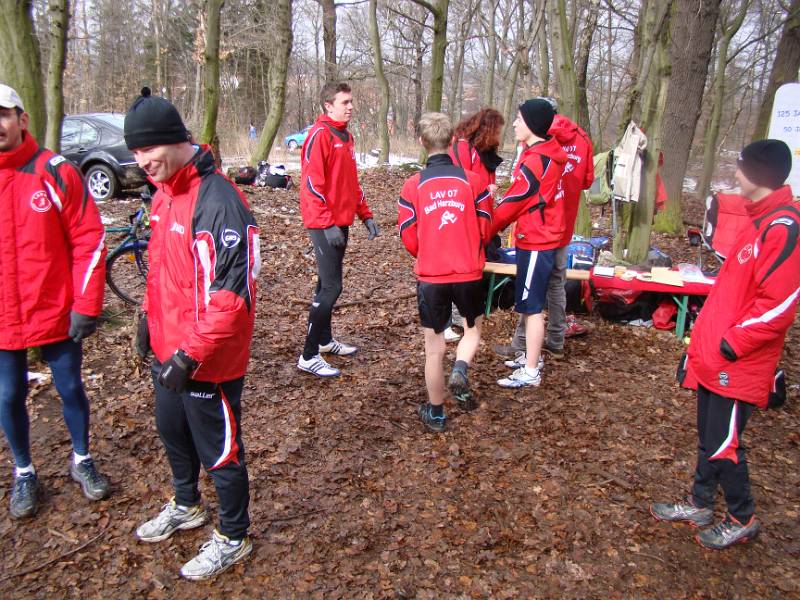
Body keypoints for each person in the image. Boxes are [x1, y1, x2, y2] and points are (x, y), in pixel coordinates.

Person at [124, 87, 260, 580]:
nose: (142, 161)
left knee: (219, 450)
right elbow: (163, 273)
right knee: (172, 431)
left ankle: (234, 536)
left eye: (149, 148)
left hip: (209, 359)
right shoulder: (164, 195)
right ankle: (186, 505)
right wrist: (147, 319)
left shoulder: (219, 201)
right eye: (135, 152)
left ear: (178, 139)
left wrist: (188, 354)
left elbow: (232, 295)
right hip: (171, 349)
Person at [651, 139, 800, 550]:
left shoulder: (784, 227)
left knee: (724, 443)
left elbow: (780, 304)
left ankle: (742, 516)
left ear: (759, 174)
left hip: (739, 361)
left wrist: (732, 344)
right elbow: (732, 293)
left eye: (741, 167)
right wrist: (702, 345)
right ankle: (700, 503)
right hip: (718, 355)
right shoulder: (759, 220)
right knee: (709, 437)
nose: (735, 174)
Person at [0, 83, 110, 519]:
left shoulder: (55, 171)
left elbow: (89, 237)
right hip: (4, 313)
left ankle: (82, 459)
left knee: (69, 387)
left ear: (21, 119)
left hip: (54, 308)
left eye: (3, 115)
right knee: (8, 395)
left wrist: (86, 304)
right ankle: (24, 471)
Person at [398, 113, 493, 431]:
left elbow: (408, 235)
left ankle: (436, 413)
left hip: (431, 276)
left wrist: (426, 252)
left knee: (434, 348)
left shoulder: (412, 186)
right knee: (471, 331)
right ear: (453, 140)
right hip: (468, 272)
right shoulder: (474, 181)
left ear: (422, 142)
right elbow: (486, 226)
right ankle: (461, 369)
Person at [496, 100, 595, 366]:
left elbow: (521, 191)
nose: (516, 123)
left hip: (540, 226)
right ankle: (555, 340)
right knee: (554, 283)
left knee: (532, 291)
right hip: (562, 222)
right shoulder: (581, 139)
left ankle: (524, 349)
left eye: (520, 118)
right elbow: (587, 180)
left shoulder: (540, 146)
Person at [297, 81, 379, 377]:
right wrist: (327, 223)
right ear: (328, 106)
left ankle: (324, 341)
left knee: (325, 283)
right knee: (332, 287)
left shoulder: (346, 136)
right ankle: (308, 355)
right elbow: (311, 185)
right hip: (324, 224)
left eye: (351, 101)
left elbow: (350, 182)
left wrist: (365, 215)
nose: (351, 107)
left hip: (341, 221)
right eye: (345, 102)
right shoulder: (319, 135)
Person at [490, 98, 567, 389]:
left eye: (519, 119)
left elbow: (514, 201)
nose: (513, 124)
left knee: (532, 306)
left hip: (537, 240)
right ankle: (529, 356)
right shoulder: (543, 153)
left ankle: (531, 370)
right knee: (529, 302)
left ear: (532, 125)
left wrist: (486, 228)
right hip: (536, 236)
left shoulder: (537, 160)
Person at [444, 107, 505, 342]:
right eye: (497, 130)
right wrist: (484, 189)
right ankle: (448, 318)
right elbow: (459, 182)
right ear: (487, 129)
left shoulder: (485, 152)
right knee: (455, 268)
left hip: (481, 217)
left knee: (476, 266)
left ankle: (465, 314)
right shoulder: (462, 148)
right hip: (462, 218)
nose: (499, 136)